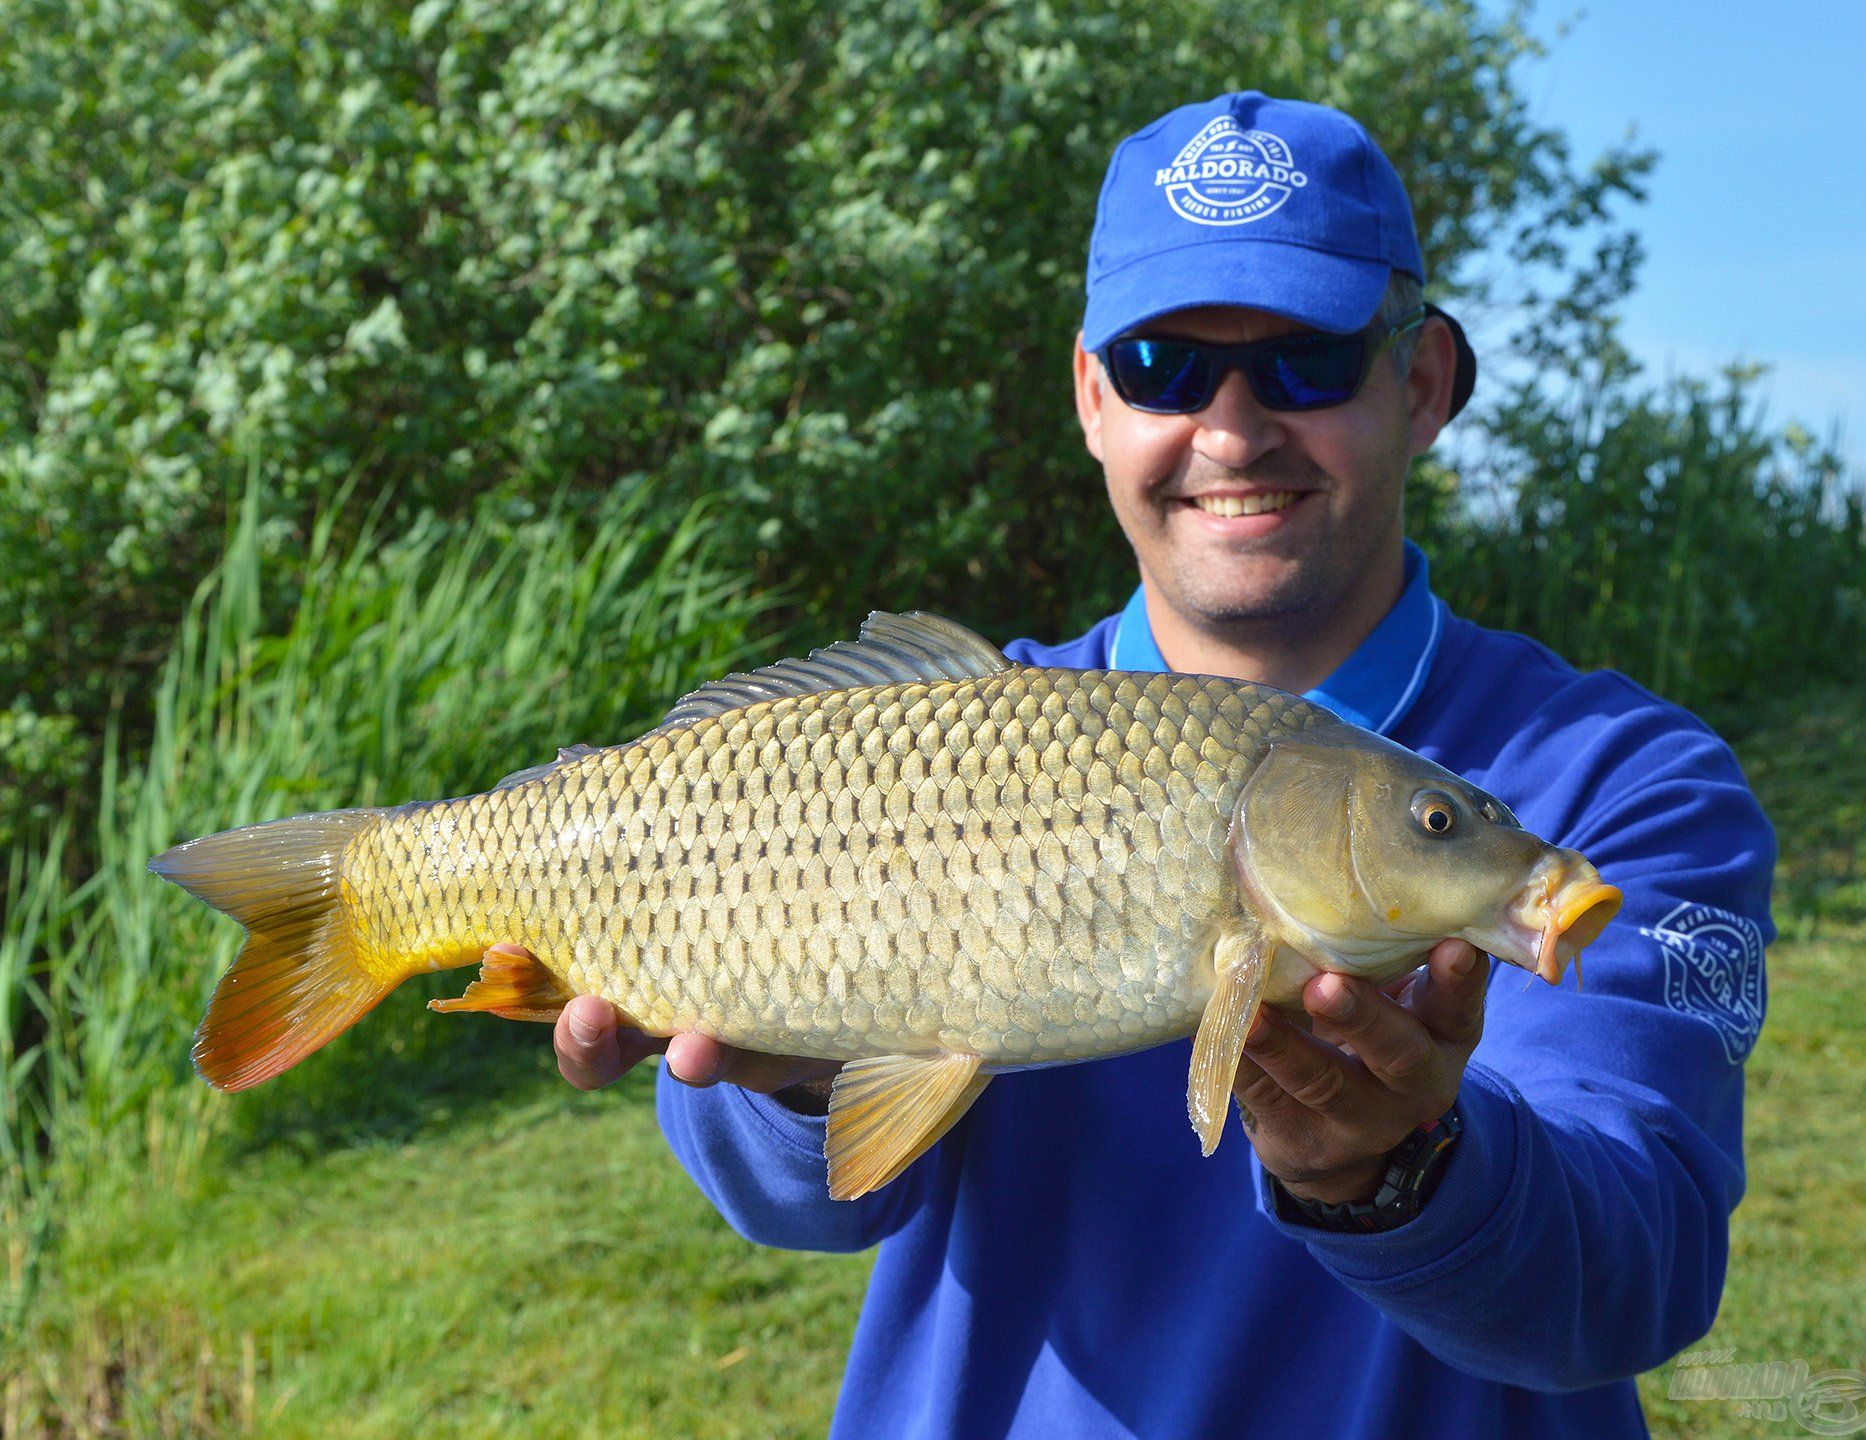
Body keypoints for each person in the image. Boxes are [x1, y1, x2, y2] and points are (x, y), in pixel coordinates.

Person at [552, 91, 1776, 1439]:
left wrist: (1400, 1170)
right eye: (1162, 366)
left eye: (1305, 362)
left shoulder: (1621, 784)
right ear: (1090, 395)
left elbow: (1631, 1287)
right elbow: (796, 1200)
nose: (1235, 431)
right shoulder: (920, 742)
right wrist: (792, 1077)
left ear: (1420, 383)